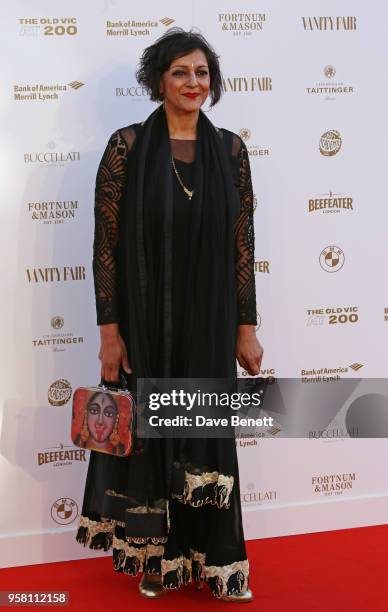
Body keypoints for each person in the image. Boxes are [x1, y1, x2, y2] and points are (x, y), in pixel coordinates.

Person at [75, 27, 263, 602]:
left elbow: (242, 242)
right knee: (155, 438)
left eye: (202, 72)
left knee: (204, 435)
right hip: (145, 322)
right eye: (180, 72)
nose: (192, 83)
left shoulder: (231, 150)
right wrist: (110, 333)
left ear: (214, 82)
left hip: (208, 324)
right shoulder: (127, 146)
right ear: (159, 79)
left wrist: (246, 327)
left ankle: (214, 560)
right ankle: (157, 558)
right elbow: (105, 245)